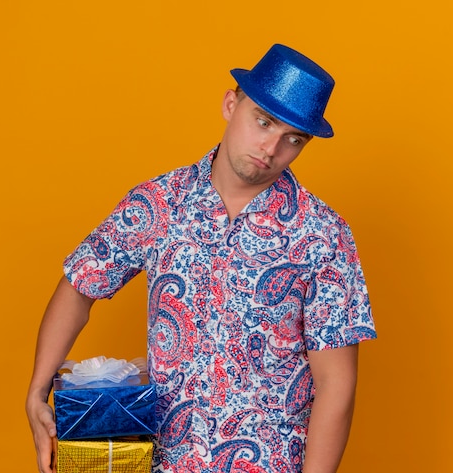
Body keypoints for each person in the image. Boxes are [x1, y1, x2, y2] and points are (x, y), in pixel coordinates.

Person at [26, 43, 377, 473]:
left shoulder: (324, 235)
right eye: (263, 122)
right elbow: (80, 283)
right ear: (231, 104)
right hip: (167, 462)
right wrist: (37, 393)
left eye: (293, 139)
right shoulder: (159, 203)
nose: (271, 148)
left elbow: (336, 383)